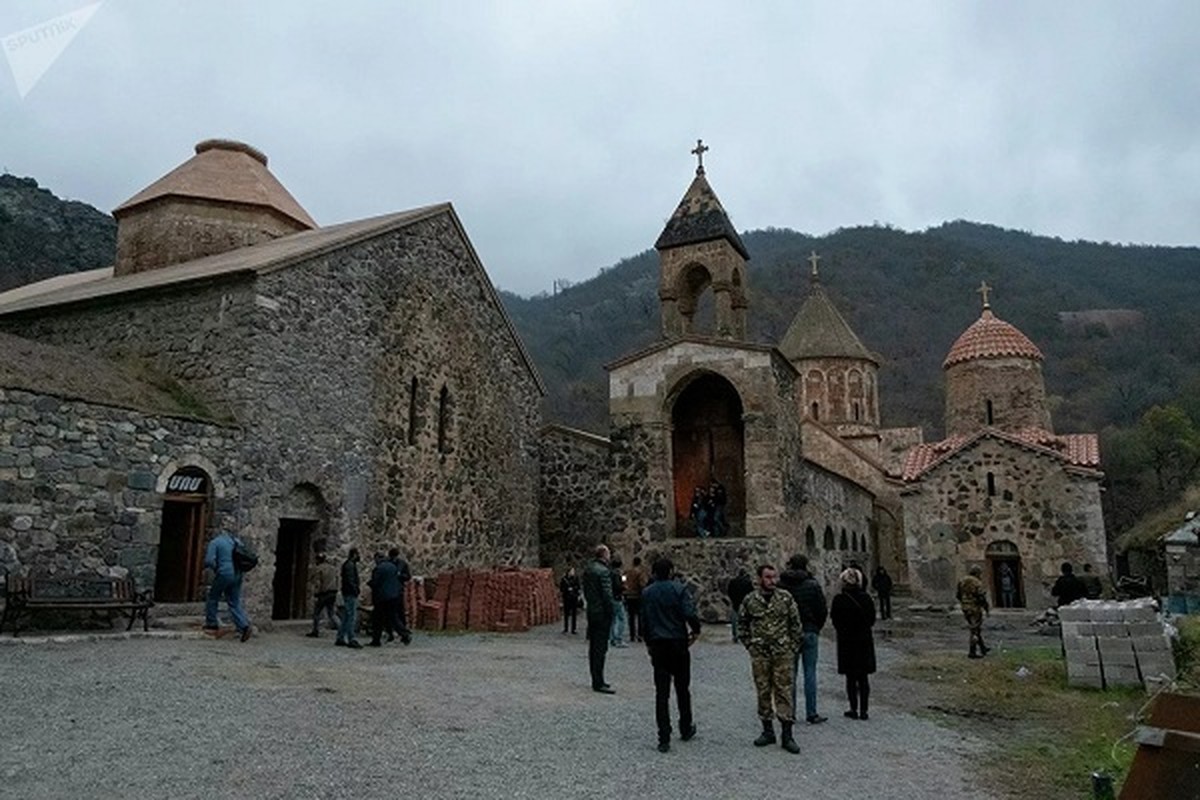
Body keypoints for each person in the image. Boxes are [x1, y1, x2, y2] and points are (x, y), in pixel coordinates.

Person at [738, 563, 802, 754]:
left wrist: (791, 647)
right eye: (768, 577)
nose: (772, 581)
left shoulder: (785, 598)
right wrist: (750, 645)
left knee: (784, 691)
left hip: (782, 653)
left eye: (774, 577)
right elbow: (742, 624)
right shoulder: (750, 600)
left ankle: (787, 734)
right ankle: (767, 731)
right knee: (763, 690)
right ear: (759, 579)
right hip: (761, 654)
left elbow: (795, 624)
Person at [639, 557, 701, 753]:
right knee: (683, 688)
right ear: (671, 570)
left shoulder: (648, 592)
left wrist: (648, 642)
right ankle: (685, 726)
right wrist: (696, 630)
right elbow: (689, 612)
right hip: (677, 643)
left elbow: (644, 620)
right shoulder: (679, 589)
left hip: (658, 644)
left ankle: (663, 737)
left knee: (661, 693)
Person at [779, 554, 828, 725]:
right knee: (810, 672)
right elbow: (822, 609)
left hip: (789, 633)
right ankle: (811, 712)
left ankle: (789, 712)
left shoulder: (782, 585)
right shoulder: (812, 585)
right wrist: (816, 627)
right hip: (809, 630)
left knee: (790, 674)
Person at [830, 568, 877, 720]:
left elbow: (835, 620)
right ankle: (864, 710)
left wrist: (844, 630)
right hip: (863, 640)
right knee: (863, 678)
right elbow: (871, 619)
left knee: (851, 678)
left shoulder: (839, 600)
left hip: (847, 641)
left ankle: (853, 708)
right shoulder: (866, 598)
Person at [203, 529, 252, 642]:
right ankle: (244, 625)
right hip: (238, 574)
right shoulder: (236, 541)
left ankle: (211, 623)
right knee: (234, 602)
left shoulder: (215, 542)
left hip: (224, 573)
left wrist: (217, 568)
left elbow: (209, 561)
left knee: (213, 597)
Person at [582, 545, 617, 693]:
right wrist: (612, 611)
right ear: (604, 555)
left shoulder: (588, 569)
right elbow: (607, 595)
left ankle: (596, 679)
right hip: (602, 613)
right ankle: (599, 681)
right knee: (600, 648)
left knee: (594, 648)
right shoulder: (603, 572)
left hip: (592, 611)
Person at [368, 547, 411, 646]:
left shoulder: (378, 569)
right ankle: (404, 634)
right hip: (394, 596)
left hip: (382, 597)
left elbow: (376, 583)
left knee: (378, 618)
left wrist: (370, 584)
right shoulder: (393, 567)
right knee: (393, 617)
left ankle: (376, 640)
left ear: (377, 559)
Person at [956, 565, 990, 659]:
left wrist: (964, 602)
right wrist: (986, 607)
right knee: (974, 630)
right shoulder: (977, 582)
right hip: (975, 608)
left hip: (965, 607)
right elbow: (981, 596)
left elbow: (958, 595)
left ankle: (983, 648)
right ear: (977, 573)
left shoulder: (961, 581)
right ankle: (972, 651)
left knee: (975, 628)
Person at [306, 552, 339, 638]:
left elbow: (318, 582)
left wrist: (316, 593)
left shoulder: (319, 569)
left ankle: (315, 631)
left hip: (324, 593)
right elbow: (337, 579)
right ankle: (342, 629)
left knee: (316, 613)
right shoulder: (333, 568)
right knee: (332, 613)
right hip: (333, 592)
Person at [336, 548, 363, 648]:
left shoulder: (348, 564)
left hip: (348, 592)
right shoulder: (350, 565)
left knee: (347, 616)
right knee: (351, 616)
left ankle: (340, 637)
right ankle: (351, 638)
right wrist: (356, 590)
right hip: (350, 593)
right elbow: (350, 580)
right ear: (354, 554)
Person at [727, 568, 754, 642]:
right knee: (746, 619)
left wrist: (732, 599)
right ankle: (746, 634)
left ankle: (735, 635)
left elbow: (729, 591)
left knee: (734, 620)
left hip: (735, 602)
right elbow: (751, 592)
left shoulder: (733, 581)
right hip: (745, 602)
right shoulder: (748, 582)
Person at [624, 556, 648, 643]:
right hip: (637, 596)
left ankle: (632, 635)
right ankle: (640, 635)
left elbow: (623, 580)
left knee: (631, 616)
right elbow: (642, 584)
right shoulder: (640, 572)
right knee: (640, 616)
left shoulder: (627, 572)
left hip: (629, 596)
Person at [609, 557, 628, 647]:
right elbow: (618, 586)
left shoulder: (609, 573)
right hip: (617, 597)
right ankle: (618, 638)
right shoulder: (617, 574)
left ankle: (612, 638)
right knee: (621, 618)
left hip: (611, 597)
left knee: (613, 619)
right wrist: (623, 586)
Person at [559, 566, 581, 634]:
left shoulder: (576, 578)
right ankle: (566, 628)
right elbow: (561, 588)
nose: (573, 572)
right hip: (566, 597)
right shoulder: (564, 579)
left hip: (574, 597)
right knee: (566, 614)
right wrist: (566, 590)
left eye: (573, 571)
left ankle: (573, 629)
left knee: (574, 614)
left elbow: (578, 586)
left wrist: (574, 589)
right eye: (572, 571)